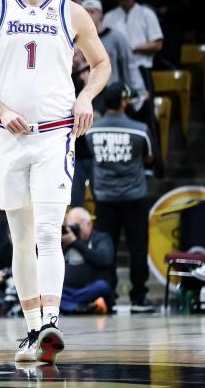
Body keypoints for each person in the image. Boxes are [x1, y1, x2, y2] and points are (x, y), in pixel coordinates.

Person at [0, 0, 111, 364]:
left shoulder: (70, 12)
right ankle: (34, 331)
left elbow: (101, 64)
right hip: (9, 136)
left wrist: (86, 97)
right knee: (21, 237)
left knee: (48, 231)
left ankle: (51, 322)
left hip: (54, 135)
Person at [86, 83, 154, 312]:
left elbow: (91, 154)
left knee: (107, 249)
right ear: (124, 102)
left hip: (104, 198)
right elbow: (149, 158)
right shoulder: (140, 130)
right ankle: (139, 297)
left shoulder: (92, 131)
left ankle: (109, 297)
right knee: (138, 248)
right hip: (135, 197)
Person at [61, 207, 115, 314]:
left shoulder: (100, 238)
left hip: (90, 289)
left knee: (102, 286)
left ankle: (69, 306)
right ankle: (81, 307)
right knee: (48, 291)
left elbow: (104, 260)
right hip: (67, 290)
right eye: (69, 227)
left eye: (75, 226)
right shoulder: (65, 241)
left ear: (89, 224)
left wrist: (75, 243)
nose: (72, 231)